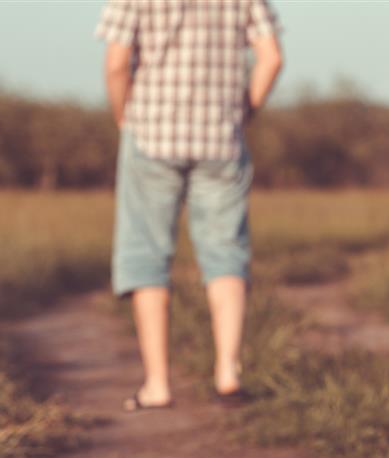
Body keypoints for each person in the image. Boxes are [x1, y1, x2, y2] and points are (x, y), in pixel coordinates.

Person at [96, 0, 283, 409]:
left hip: (150, 136)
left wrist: (122, 116)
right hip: (221, 138)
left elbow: (116, 63)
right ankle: (227, 374)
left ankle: (157, 385)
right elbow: (271, 58)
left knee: (146, 253)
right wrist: (244, 110)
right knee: (225, 250)